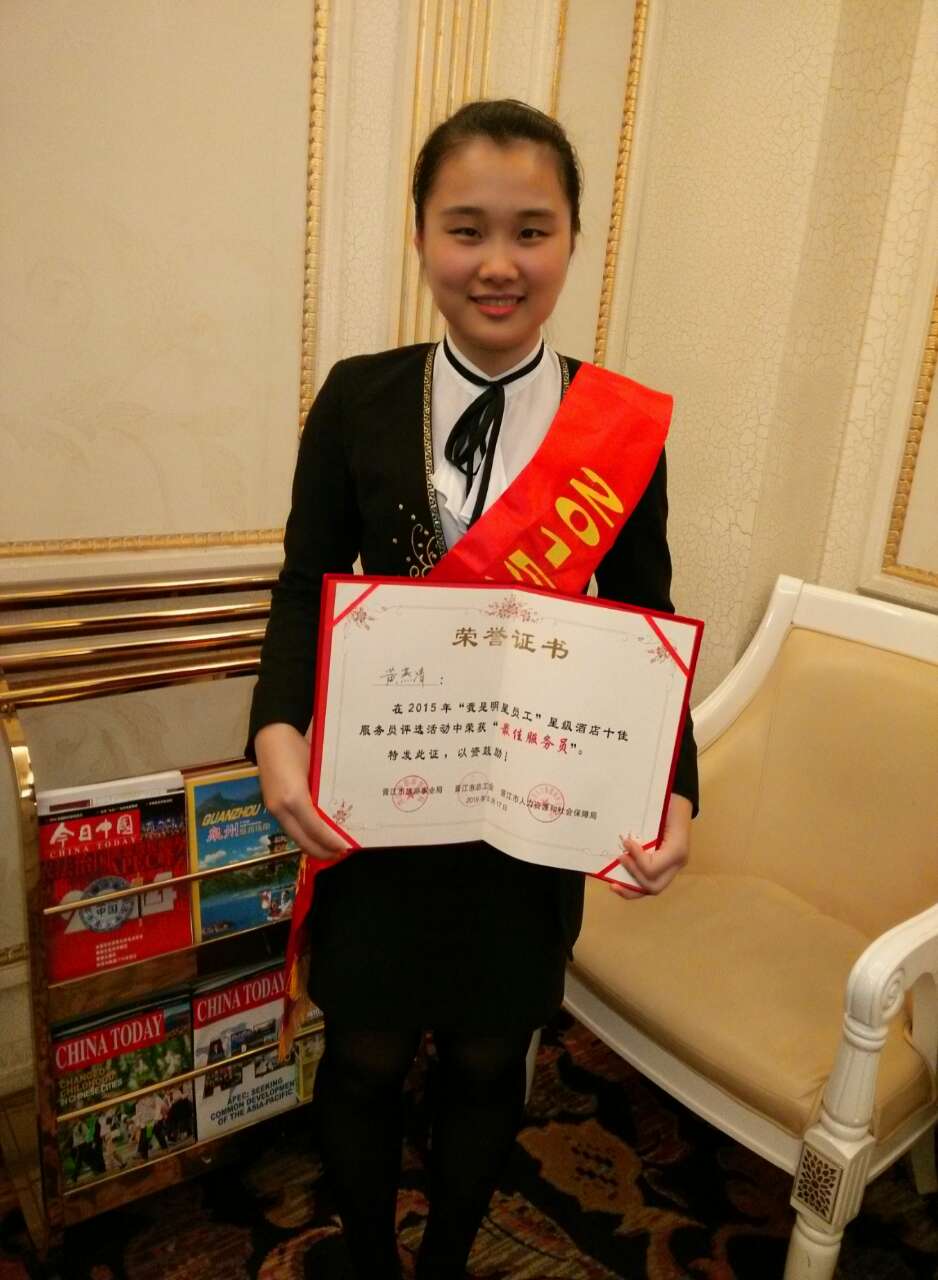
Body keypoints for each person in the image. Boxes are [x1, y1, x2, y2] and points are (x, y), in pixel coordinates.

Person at [249, 98, 698, 1280]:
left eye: (529, 230)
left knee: (491, 1061)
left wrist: (673, 788)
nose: (497, 262)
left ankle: (445, 1259)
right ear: (420, 237)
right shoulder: (356, 395)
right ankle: (370, 1259)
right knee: (361, 1055)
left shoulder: (618, 426)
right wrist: (277, 727)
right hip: (382, 791)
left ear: (570, 239)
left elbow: (646, 622)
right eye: (465, 229)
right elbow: (303, 582)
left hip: (529, 815)